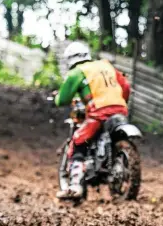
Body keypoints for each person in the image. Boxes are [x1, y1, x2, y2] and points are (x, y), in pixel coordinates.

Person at [55, 42, 131, 200]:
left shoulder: (77, 72)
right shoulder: (106, 65)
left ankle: (75, 185)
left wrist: (56, 97)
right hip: (120, 109)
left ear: (69, 59)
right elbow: (126, 86)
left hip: (99, 113)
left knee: (78, 140)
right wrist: (119, 102)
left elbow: (62, 99)